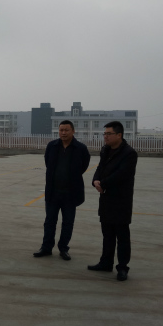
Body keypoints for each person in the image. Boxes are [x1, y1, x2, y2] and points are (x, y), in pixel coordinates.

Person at [33, 120, 90, 260]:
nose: (63, 133)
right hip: (53, 192)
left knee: (68, 223)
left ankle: (63, 248)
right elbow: (48, 163)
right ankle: (46, 248)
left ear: (73, 131)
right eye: (61, 130)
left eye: (66, 130)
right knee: (49, 221)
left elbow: (83, 166)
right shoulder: (52, 146)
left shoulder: (80, 148)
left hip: (71, 193)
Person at [88, 121, 138, 281]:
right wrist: (95, 180)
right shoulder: (105, 150)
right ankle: (106, 262)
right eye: (104, 134)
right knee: (107, 234)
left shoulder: (129, 153)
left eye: (108, 134)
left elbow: (122, 174)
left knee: (122, 236)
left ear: (119, 135)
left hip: (121, 200)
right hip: (106, 198)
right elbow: (100, 168)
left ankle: (122, 267)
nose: (105, 137)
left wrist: (102, 183)